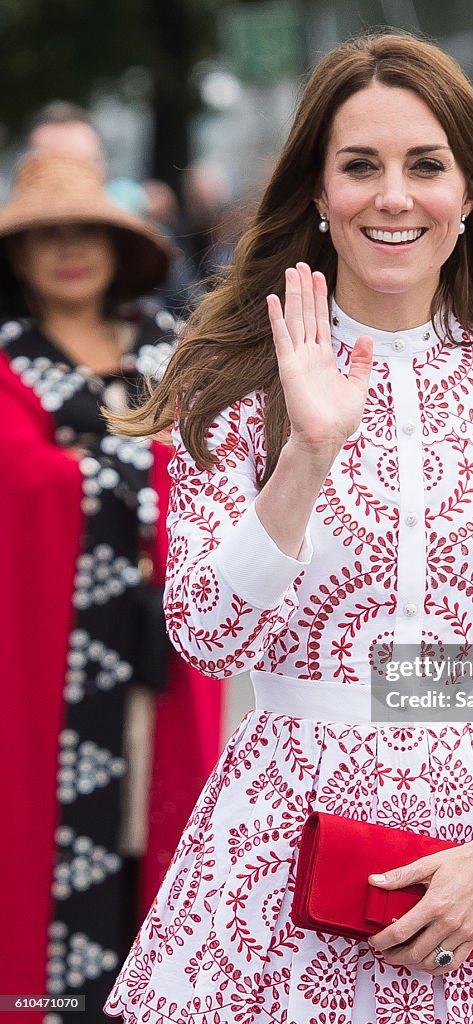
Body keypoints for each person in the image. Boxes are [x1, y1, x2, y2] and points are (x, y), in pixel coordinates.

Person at [104, 32, 473, 1024]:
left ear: (469, 194)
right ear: (317, 192)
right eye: (360, 166)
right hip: (276, 850)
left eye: (425, 166)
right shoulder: (227, 379)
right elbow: (210, 639)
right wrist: (306, 450)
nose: (394, 197)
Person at [0, 152, 224, 1024]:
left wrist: (92, 472)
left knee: (166, 829)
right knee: (48, 843)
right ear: (17, 258)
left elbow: (211, 473)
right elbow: (21, 484)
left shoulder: (167, 354)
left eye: (84, 234)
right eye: (47, 237)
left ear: (116, 250)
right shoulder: (7, 359)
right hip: (48, 658)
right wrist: (133, 477)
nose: (68, 252)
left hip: (167, 647)